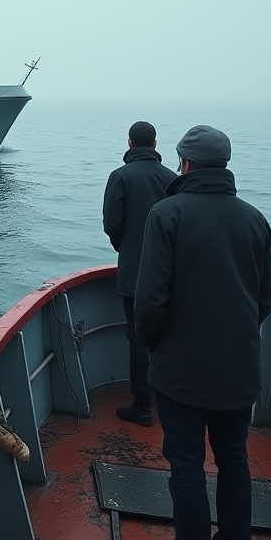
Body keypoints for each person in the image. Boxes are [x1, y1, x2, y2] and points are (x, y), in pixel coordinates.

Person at [135, 125, 271, 540]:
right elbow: (263, 300)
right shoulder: (255, 219)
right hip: (239, 370)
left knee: (187, 466)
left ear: (185, 163)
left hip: (180, 371)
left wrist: (154, 344)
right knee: (234, 459)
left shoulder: (166, 214)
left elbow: (151, 299)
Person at [102, 120, 176, 426]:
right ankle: (169, 400)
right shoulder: (173, 178)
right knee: (167, 336)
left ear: (130, 144)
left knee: (137, 337)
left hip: (134, 270)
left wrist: (126, 249)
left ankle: (143, 406)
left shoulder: (120, 177)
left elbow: (111, 223)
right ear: (156, 145)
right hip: (170, 271)